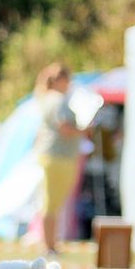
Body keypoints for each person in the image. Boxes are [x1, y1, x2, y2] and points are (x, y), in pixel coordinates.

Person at [34, 62, 85, 254]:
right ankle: (48, 245)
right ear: (59, 80)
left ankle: (51, 243)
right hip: (58, 156)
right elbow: (64, 127)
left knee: (52, 202)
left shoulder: (48, 98)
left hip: (55, 156)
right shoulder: (57, 100)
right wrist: (83, 130)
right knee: (51, 202)